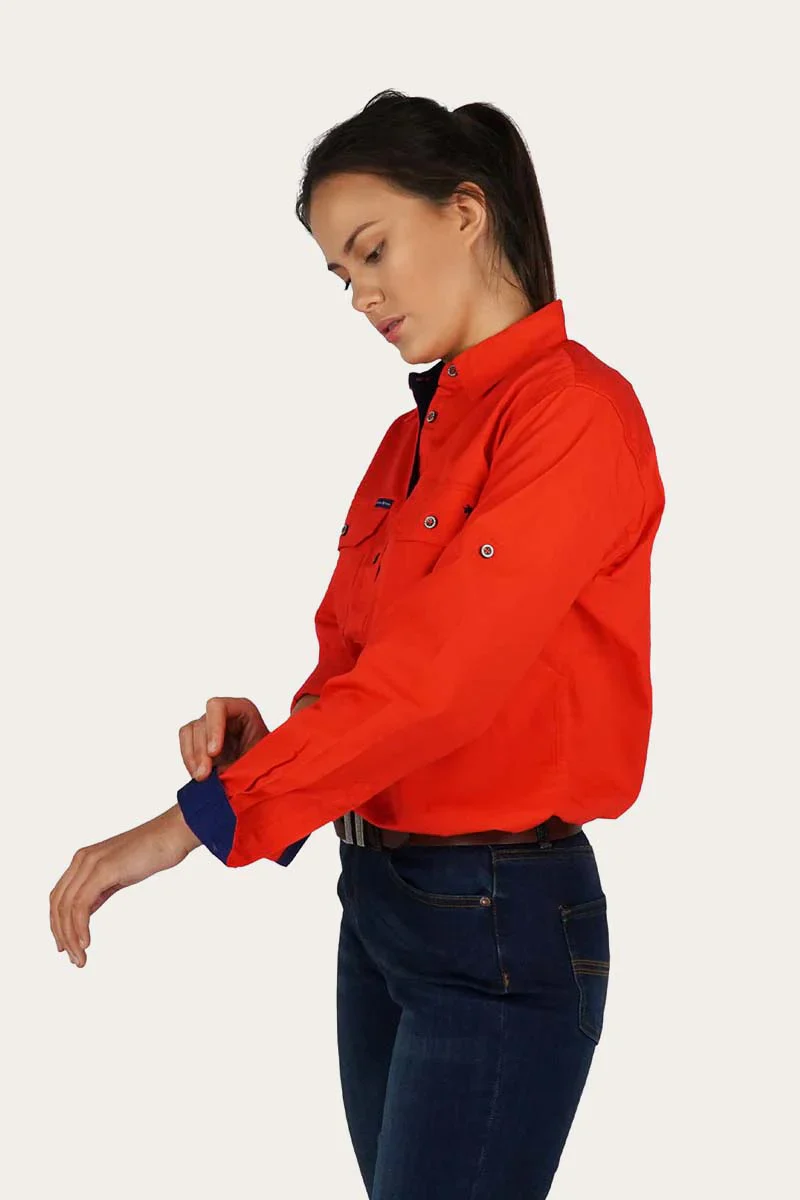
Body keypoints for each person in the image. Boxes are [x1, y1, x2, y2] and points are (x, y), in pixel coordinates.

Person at [49, 89, 666, 1198]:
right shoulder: (406, 441)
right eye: (339, 275)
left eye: (372, 250)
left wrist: (191, 825)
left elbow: (438, 687)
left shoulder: (574, 414)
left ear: (465, 212)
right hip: (379, 905)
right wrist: (271, 746)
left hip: (496, 918)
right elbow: (365, 677)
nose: (360, 296)